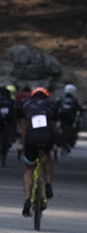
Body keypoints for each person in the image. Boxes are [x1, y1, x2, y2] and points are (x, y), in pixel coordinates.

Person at [20, 86, 57, 215]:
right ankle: (48, 183)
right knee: (47, 156)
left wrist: (23, 145)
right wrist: (54, 144)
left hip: (30, 137)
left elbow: (24, 128)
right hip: (46, 136)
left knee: (29, 168)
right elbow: (53, 127)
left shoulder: (25, 104)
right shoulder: (51, 105)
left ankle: (27, 200)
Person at [57, 83, 82, 149]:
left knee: (62, 126)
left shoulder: (62, 99)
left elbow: (56, 105)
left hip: (62, 116)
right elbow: (79, 108)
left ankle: (62, 138)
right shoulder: (74, 99)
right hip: (70, 117)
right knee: (71, 127)